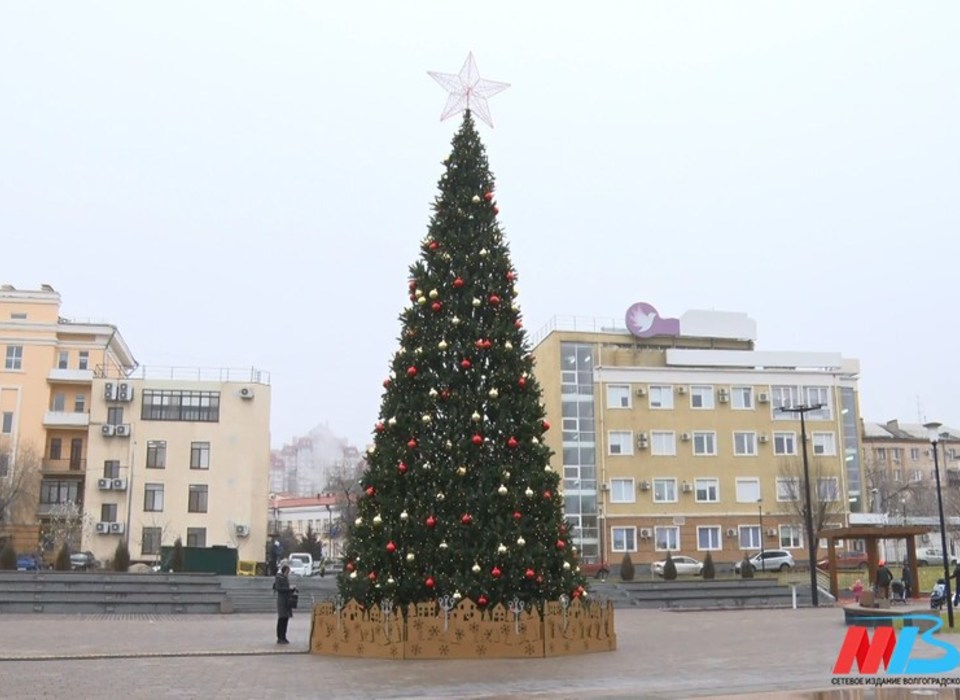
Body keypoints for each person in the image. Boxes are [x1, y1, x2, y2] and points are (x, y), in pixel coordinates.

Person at [273, 564, 297, 644]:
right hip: (282, 601)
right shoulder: (279, 578)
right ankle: (280, 637)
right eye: (288, 571)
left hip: (287, 601)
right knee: (282, 619)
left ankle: (284, 636)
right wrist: (289, 589)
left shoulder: (285, 578)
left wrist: (292, 589)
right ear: (285, 570)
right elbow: (279, 588)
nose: (288, 573)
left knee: (285, 619)